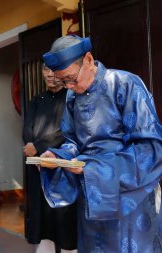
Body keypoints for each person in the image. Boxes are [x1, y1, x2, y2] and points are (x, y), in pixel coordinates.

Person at [39, 35, 162, 252]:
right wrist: (59, 158)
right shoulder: (71, 97)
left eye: (71, 78)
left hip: (127, 197)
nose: (69, 86)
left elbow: (151, 150)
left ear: (88, 59)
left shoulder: (125, 84)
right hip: (92, 196)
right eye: (63, 81)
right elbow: (73, 143)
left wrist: (94, 168)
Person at [23, 63, 77, 253]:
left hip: (61, 165)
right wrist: (32, 147)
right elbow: (27, 129)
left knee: (63, 214)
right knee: (42, 213)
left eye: (54, 70)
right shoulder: (36, 100)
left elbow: (66, 132)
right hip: (38, 165)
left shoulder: (71, 98)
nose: (49, 74)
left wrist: (37, 146)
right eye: (46, 70)